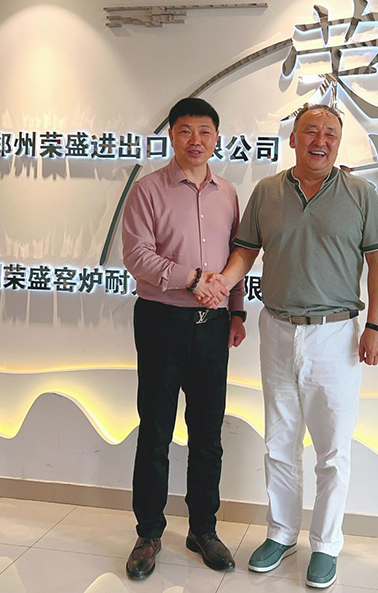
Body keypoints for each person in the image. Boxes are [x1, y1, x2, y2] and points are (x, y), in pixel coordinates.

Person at [198, 103, 378, 588]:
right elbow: (246, 250)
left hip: (336, 334)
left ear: (338, 143)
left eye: (330, 134)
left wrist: (377, 326)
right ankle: (281, 533)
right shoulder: (267, 191)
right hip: (278, 329)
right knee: (280, 442)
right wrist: (223, 284)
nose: (319, 141)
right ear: (293, 139)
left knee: (333, 449)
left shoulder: (361, 194)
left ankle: (325, 544)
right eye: (310, 131)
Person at [121, 97, 246, 580]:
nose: (196, 140)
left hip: (213, 327)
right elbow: (137, 256)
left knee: (208, 433)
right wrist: (192, 278)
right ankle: (149, 533)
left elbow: (237, 258)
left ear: (216, 138)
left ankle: (203, 529)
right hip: (161, 322)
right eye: (186, 130)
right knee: (155, 430)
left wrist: (236, 312)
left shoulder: (228, 193)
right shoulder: (148, 190)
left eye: (205, 131)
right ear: (172, 135)